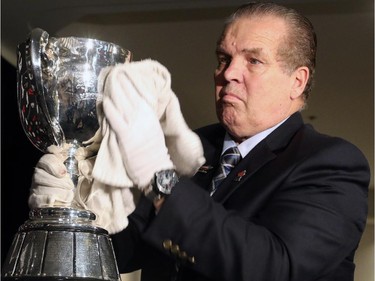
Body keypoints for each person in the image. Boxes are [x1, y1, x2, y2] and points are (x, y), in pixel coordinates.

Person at [29, 2, 370, 281]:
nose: (229, 73)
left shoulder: (331, 162)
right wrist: (73, 208)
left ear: (297, 81)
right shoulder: (193, 146)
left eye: (253, 60)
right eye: (224, 58)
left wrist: (160, 181)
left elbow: (274, 267)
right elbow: (123, 253)